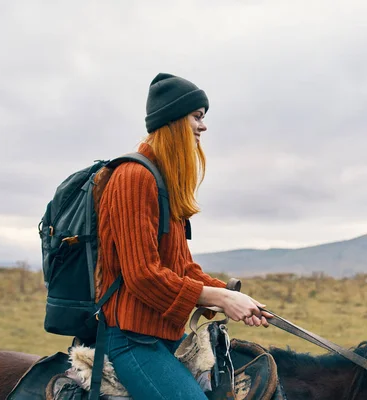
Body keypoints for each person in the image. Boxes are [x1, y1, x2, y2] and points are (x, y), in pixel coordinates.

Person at [96, 72, 271, 399]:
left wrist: (234, 296)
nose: (203, 127)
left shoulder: (162, 182)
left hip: (162, 334)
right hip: (133, 340)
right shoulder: (134, 178)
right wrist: (220, 300)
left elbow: (182, 268)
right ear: (174, 119)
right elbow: (143, 276)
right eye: (197, 117)